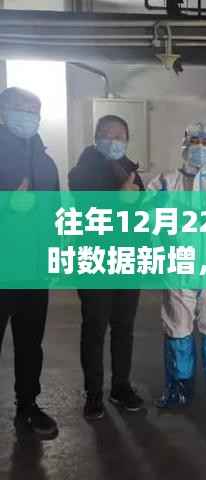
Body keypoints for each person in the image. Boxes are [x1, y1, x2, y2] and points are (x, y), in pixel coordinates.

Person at [148, 121, 206, 408]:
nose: (200, 148)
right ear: (184, 145)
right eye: (195, 142)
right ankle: (179, 390)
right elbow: (149, 221)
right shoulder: (164, 182)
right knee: (178, 329)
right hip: (178, 268)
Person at [69, 114, 144, 420]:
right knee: (95, 328)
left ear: (127, 140)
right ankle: (93, 394)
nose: (114, 141)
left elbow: (141, 213)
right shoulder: (81, 171)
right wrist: (119, 198)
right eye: (107, 134)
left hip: (128, 260)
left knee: (124, 328)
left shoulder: (131, 171)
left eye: (119, 136)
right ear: (96, 137)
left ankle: (121, 386)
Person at [0, 87, 59, 435]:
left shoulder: (45, 162)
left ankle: (28, 405)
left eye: (34, 111)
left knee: (30, 343)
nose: (29, 117)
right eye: (21, 109)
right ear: (3, 112)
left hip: (34, 269)